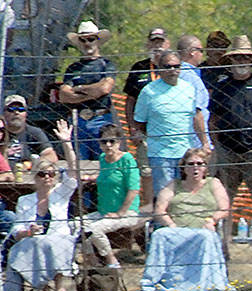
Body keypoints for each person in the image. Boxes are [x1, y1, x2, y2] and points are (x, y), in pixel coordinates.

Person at [208, 35, 252, 236]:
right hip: (227, 152)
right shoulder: (222, 86)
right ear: (231, 60)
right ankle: (223, 246)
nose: (241, 62)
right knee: (222, 201)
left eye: (245, 58)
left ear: (251, 61)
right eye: (237, 58)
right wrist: (217, 146)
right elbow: (212, 119)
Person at [139, 148, 231, 291]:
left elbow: (224, 208)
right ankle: (157, 280)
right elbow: (160, 209)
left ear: (205, 167)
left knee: (206, 236)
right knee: (159, 235)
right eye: (191, 164)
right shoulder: (174, 185)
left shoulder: (213, 183)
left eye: (200, 163)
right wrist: (170, 224)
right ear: (184, 167)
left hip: (203, 228)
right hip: (177, 228)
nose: (195, 167)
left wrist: (212, 220)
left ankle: (202, 283)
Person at [4, 120, 77, 291]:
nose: (47, 178)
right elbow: (16, 229)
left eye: (51, 174)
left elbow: (74, 171)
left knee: (54, 243)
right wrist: (28, 231)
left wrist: (66, 143)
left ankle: (60, 290)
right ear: (35, 178)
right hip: (33, 241)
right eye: (42, 174)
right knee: (24, 247)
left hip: (58, 238)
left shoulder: (61, 193)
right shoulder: (25, 201)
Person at [132, 50, 212, 200]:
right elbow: (140, 122)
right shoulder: (148, 92)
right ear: (159, 69)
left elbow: (197, 117)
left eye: (176, 66)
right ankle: (162, 224)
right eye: (168, 67)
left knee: (186, 196)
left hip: (186, 153)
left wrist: (205, 143)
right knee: (164, 197)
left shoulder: (189, 88)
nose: (173, 70)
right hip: (160, 155)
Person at [81, 124, 143, 269]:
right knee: (76, 225)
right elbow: (109, 177)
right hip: (104, 211)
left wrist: (120, 213)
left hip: (126, 212)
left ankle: (112, 261)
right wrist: (92, 178)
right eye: (104, 142)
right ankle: (93, 262)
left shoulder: (127, 159)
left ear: (119, 142)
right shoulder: (103, 158)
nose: (108, 145)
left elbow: (134, 188)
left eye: (112, 141)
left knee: (94, 230)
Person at [124, 28, 170, 202]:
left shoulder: (173, 66)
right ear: (148, 44)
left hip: (169, 131)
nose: (157, 46)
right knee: (147, 172)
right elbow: (130, 101)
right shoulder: (139, 68)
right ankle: (150, 210)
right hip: (145, 131)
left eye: (161, 42)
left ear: (167, 44)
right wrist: (133, 128)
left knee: (171, 171)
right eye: (154, 42)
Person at [58, 21, 116, 162]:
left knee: (104, 161)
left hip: (101, 119)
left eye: (91, 39)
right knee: (78, 163)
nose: (87, 43)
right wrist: (93, 92)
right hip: (78, 120)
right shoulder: (73, 68)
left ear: (97, 41)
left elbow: (105, 88)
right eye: (83, 40)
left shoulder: (106, 64)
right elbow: (64, 95)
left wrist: (78, 89)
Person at [176, 35, 212, 150]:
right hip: (194, 141)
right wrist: (205, 143)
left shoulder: (174, 74)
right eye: (201, 50)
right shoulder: (190, 77)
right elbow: (197, 112)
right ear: (192, 52)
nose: (202, 54)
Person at [2, 95, 56, 166]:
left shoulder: (34, 132)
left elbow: (50, 155)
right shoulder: (1, 132)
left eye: (21, 109)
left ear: (26, 113)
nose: (16, 113)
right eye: (11, 109)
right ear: (4, 113)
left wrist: (32, 165)